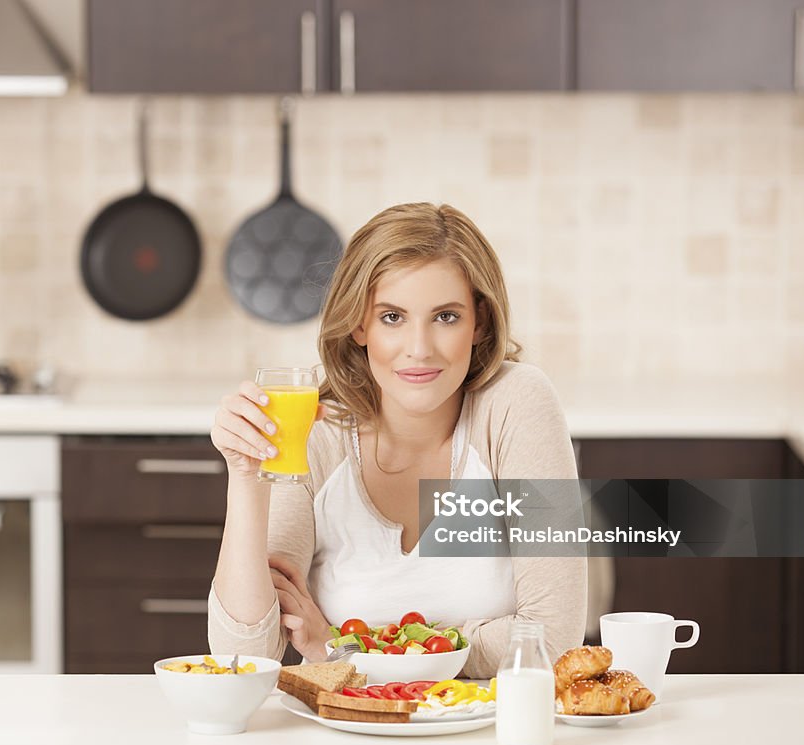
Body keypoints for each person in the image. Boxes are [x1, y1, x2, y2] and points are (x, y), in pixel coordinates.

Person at [208, 202, 587, 677]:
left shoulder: (515, 404)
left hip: (494, 740)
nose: (419, 348)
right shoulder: (316, 431)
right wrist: (246, 476)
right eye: (392, 317)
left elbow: (551, 637)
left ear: (480, 323)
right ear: (359, 324)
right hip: (349, 733)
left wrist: (347, 647)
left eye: (446, 317)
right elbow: (244, 655)